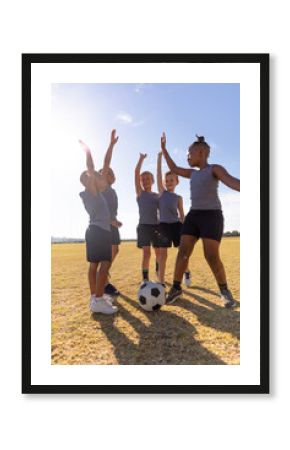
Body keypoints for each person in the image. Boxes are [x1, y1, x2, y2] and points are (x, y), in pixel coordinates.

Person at [160, 132, 240, 307]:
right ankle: (176, 288)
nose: (187, 156)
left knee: (211, 255)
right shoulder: (191, 174)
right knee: (183, 252)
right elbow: (173, 168)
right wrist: (164, 150)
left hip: (211, 216)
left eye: (190, 153)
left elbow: (232, 182)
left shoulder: (214, 169)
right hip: (193, 216)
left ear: (201, 153)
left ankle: (225, 292)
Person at [79, 130, 119, 314]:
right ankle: (98, 299)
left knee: (95, 265)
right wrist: (87, 150)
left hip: (96, 230)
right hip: (99, 232)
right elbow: (94, 165)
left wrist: (111, 145)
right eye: (92, 176)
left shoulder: (95, 195)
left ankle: (95, 298)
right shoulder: (92, 193)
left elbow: (105, 164)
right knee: (104, 264)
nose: (97, 176)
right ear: (88, 182)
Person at [156, 151, 191, 286]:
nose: (169, 182)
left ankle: (186, 272)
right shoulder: (162, 192)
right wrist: (159, 158)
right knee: (163, 255)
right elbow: (158, 175)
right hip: (163, 226)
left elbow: (181, 215)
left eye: (172, 180)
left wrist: (185, 224)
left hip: (177, 226)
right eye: (167, 181)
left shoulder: (178, 198)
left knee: (182, 254)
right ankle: (161, 282)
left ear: (177, 182)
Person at [135, 153, 160, 283]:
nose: (145, 181)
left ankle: (158, 271)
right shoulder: (140, 193)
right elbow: (136, 173)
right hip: (144, 227)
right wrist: (141, 160)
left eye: (148, 179)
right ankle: (145, 279)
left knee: (158, 253)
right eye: (143, 179)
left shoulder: (157, 196)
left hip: (156, 226)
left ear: (153, 181)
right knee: (146, 254)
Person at [99, 167, 122, 296]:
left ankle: (103, 274)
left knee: (115, 250)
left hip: (112, 223)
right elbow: (100, 210)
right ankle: (104, 283)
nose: (112, 175)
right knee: (106, 254)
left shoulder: (111, 191)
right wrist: (111, 221)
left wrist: (115, 221)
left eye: (112, 173)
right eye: (108, 173)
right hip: (104, 225)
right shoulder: (102, 189)